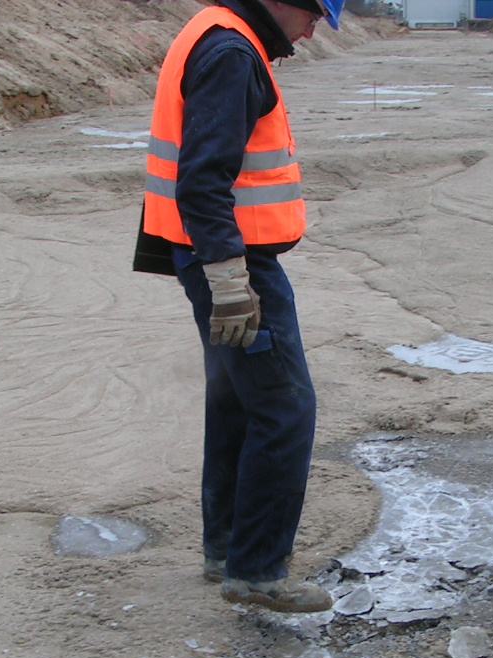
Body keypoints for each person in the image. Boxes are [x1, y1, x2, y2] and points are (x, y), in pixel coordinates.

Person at [134, 0, 345, 614]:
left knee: (237, 402)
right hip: (233, 263)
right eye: (315, 16)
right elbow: (202, 178)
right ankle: (256, 572)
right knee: (284, 406)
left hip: (208, 255)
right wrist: (230, 279)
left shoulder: (219, 33)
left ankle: (226, 550)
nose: (311, 32)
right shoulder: (231, 51)